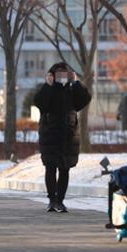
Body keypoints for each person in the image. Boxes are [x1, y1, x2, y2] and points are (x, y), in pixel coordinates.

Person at [33, 62, 92, 213]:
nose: (61, 78)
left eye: (63, 74)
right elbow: (39, 102)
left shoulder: (71, 91)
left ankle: (60, 201)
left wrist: (76, 82)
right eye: (57, 74)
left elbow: (85, 99)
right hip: (50, 135)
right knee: (50, 168)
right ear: (52, 75)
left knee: (65, 169)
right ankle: (52, 200)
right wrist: (48, 85)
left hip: (68, 136)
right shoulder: (47, 89)